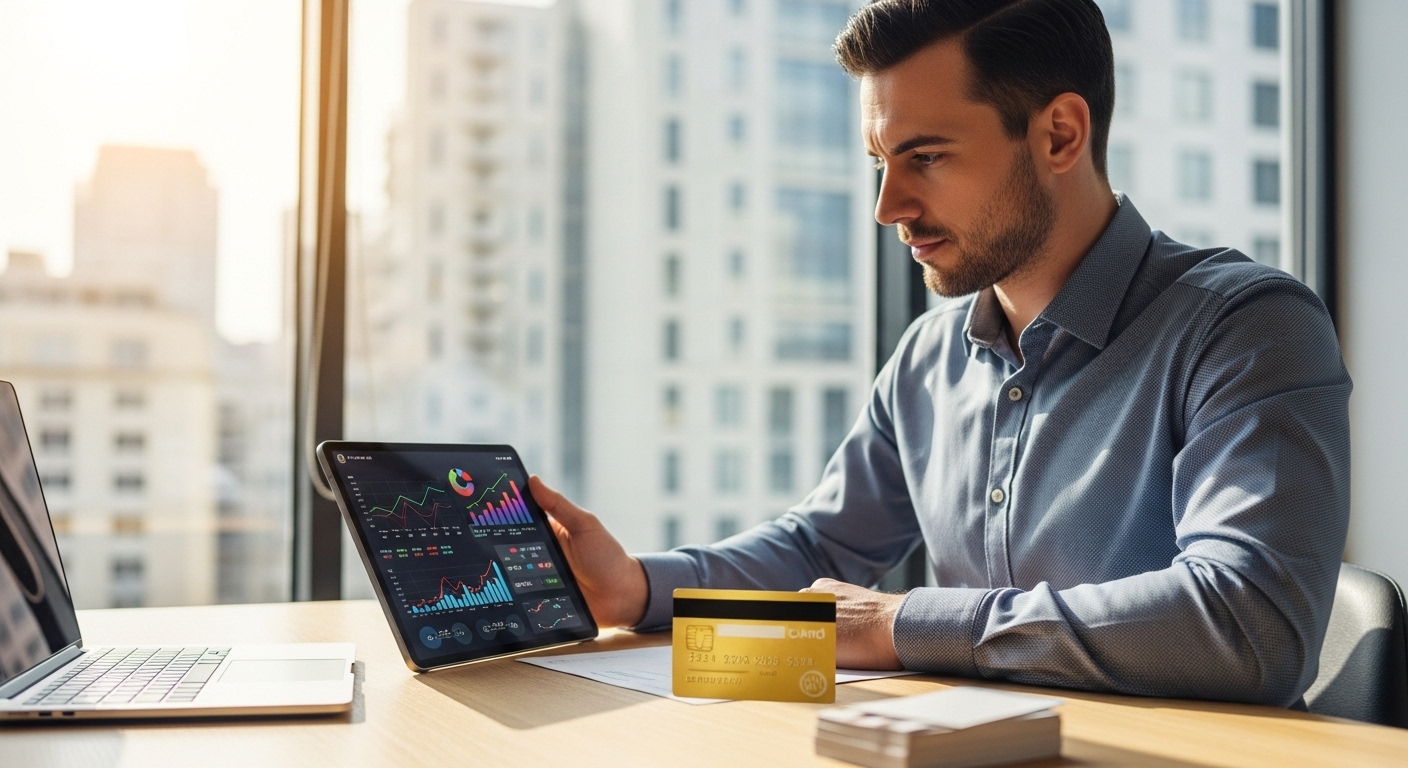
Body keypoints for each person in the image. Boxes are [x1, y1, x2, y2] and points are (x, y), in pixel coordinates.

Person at [530, 0, 1351, 708]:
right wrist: (638, 586)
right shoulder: (928, 359)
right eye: (879, 164)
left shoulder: (1246, 327)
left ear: (1060, 135)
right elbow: (818, 550)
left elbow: (1252, 624)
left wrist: (901, 623)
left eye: (925, 157)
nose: (888, 207)